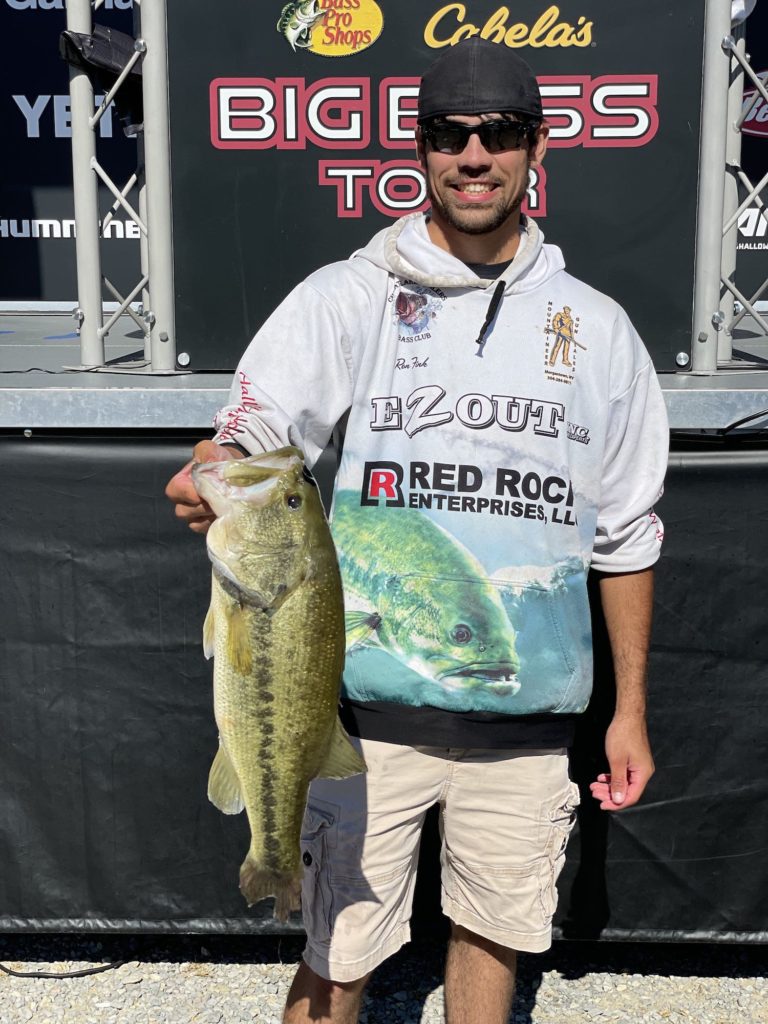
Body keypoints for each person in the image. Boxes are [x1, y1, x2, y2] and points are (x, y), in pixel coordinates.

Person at [166, 37, 668, 1024]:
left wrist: (630, 709)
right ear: (422, 150)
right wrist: (214, 468)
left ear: (537, 151)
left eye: (499, 134)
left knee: (494, 941)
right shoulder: (345, 297)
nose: (474, 155)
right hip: (362, 720)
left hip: (529, 727)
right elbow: (253, 434)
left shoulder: (598, 329)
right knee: (337, 958)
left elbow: (627, 534)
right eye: (450, 134)